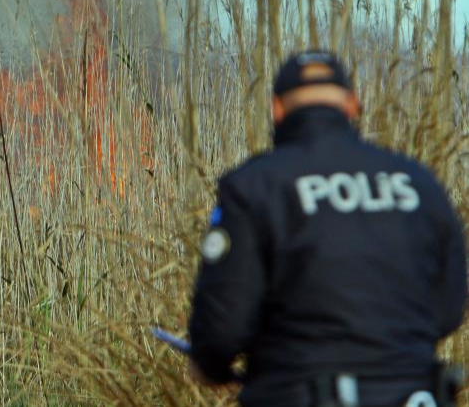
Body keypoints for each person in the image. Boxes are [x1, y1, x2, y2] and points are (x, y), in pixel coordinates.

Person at [188, 51, 467, 407]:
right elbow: (449, 307)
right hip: (416, 396)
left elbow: (222, 327)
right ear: (352, 105)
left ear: (277, 109)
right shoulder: (419, 183)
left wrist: (210, 364)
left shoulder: (255, 186)